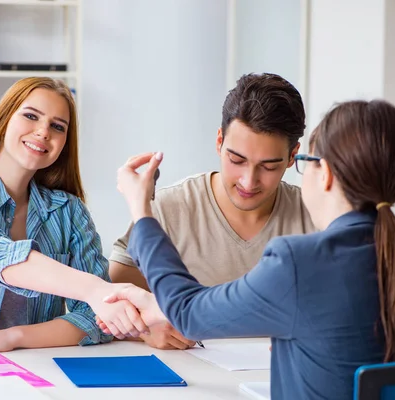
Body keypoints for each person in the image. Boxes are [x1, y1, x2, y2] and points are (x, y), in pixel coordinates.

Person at [102, 100, 395, 399]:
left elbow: (186, 312)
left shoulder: (298, 262)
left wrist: (140, 209)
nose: (250, 180)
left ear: (326, 174)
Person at [0, 77, 148, 353]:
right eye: (30, 116)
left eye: (57, 126)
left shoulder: (69, 212)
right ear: (3, 120)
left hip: (35, 369)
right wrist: (95, 290)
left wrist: (13, 338)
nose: (43, 132)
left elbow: (95, 319)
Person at [109, 72, 315, 350]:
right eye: (237, 159)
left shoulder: (315, 217)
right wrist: (145, 331)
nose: (248, 181)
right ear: (219, 141)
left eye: (268, 166)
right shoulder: (168, 210)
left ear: (293, 156)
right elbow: (112, 297)